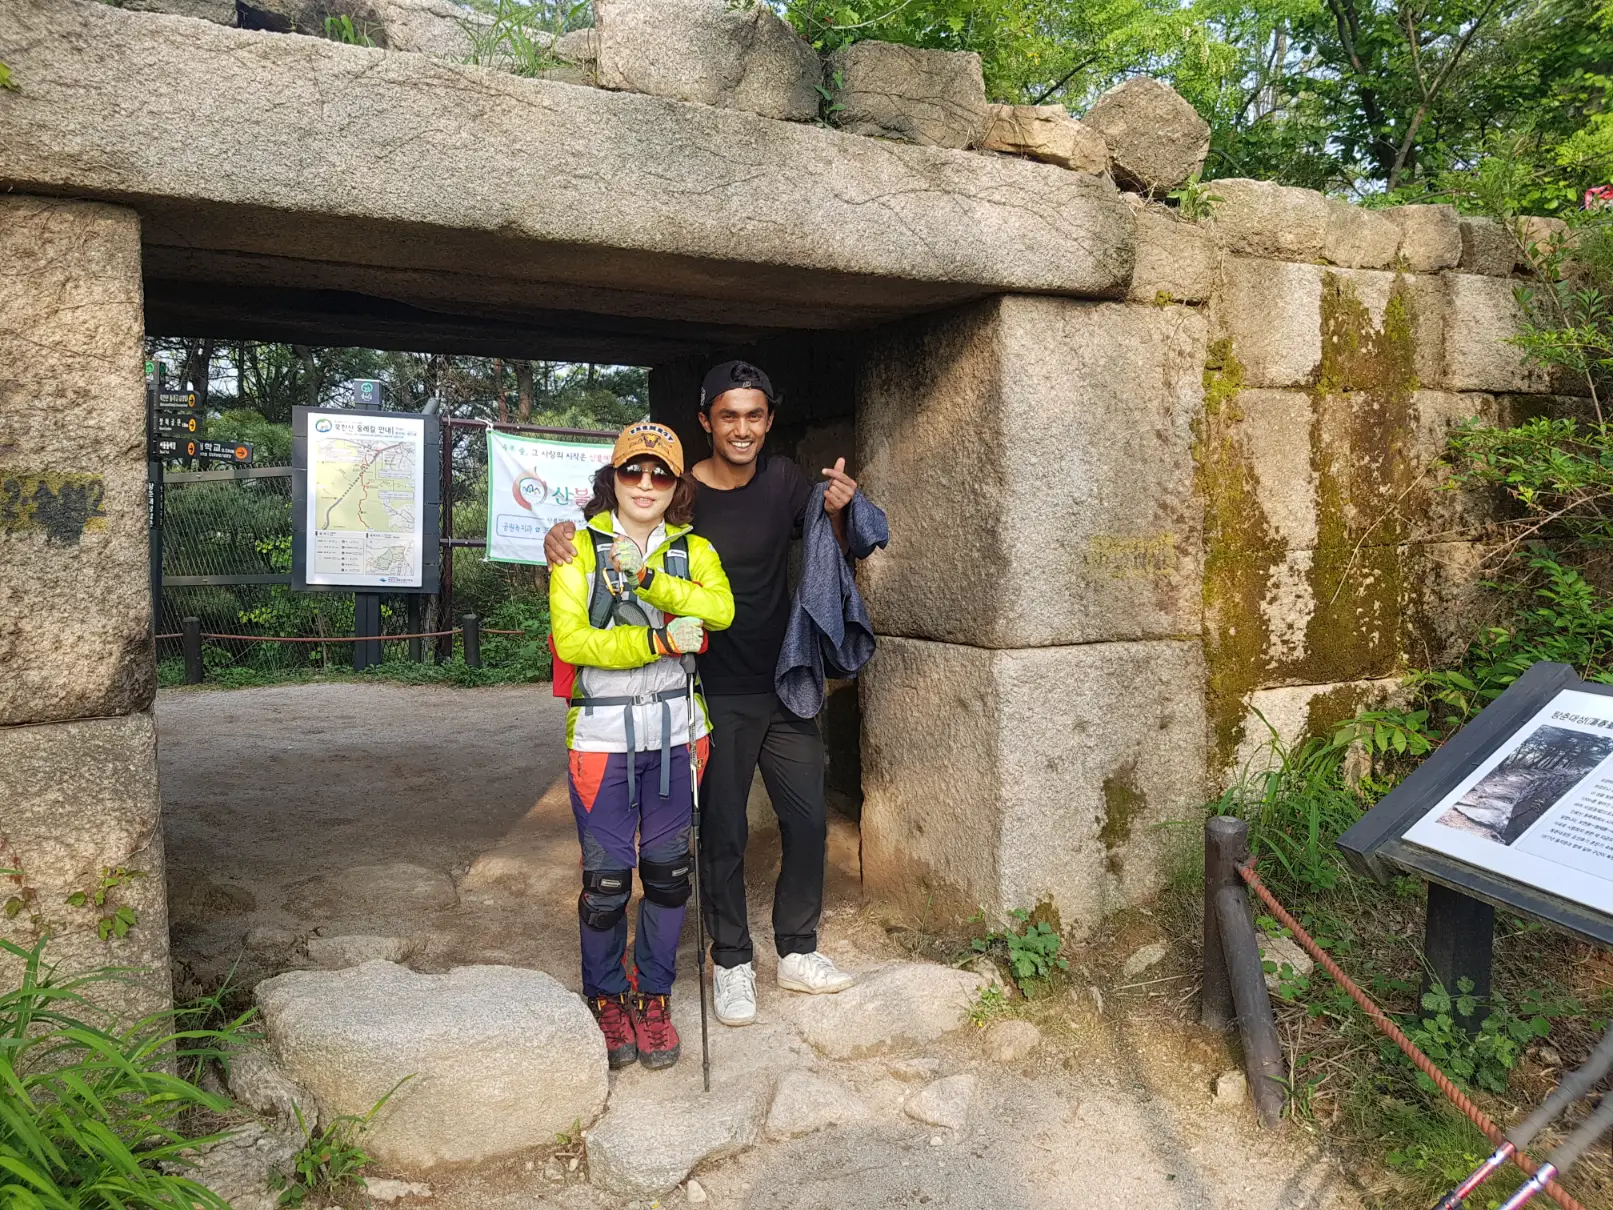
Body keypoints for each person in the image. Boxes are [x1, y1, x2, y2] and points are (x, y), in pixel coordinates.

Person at [546, 360, 858, 1028]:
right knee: (721, 834)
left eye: (753, 415)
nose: (741, 428)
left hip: (784, 680)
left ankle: (798, 949)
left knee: (806, 823)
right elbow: (617, 531)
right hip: (711, 691)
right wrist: (560, 535)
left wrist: (841, 511)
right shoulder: (679, 493)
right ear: (705, 421)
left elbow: (829, 554)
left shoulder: (784, 481)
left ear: (768, 421)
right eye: (727, 415)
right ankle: (733, 961)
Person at [549, 420, 734, 1070]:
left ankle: (652, 993)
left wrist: (652, 580)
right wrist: (655, 641)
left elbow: (720, 610)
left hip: (678, 738)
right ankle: (604, 995)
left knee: (666, 879)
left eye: (661, 473)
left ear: (677, 484)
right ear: (614, 477)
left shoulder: (694, 550)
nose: (646, 483)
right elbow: (573, 641)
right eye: (633, 470)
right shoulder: (576, 547)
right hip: (601, 738)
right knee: (604, 883)